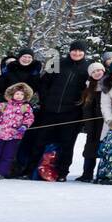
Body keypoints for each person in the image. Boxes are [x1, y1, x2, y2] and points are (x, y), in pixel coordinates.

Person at [33, 41, 90, 181]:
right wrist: (45, 100)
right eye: (74, 50)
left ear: (84, 53)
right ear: (70, 51)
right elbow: (44, 82)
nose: (77, 53)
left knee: (67, 143)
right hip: (50, 110)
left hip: (71, 113)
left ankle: (62, 172)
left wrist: (80, 107)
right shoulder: (57, 63)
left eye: (80, 51)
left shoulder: (87, 68)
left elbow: (89, 90)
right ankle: (34, 169)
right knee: (41, 140)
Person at [0, 83, 36, 178]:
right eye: (17, 94)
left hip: (14, 136)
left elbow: (29, 118)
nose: (19, 96)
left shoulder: (26, 107)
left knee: (7, 155)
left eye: (21, 94)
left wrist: (24, 126)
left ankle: (0, 173)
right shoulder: (3, 105)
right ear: (12, 94)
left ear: (25, 96)